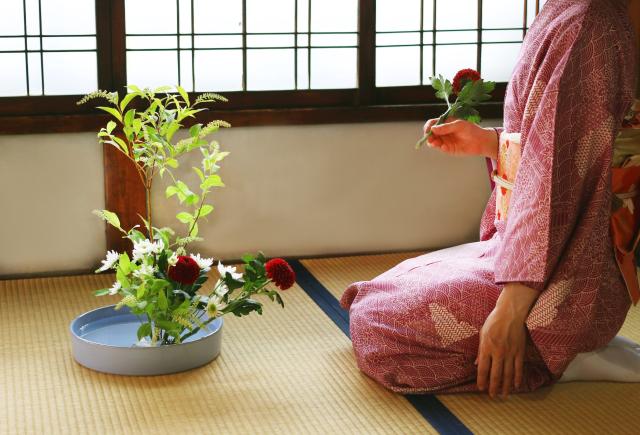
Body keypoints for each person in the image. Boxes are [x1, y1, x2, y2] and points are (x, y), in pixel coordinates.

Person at [340, 0, 640, 399]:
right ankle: (568, 340)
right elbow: (562, 150)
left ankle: (559, 351)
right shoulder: (575, 12)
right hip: (549, 252)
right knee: (381, 292)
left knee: (381, 326)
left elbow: (558, 177)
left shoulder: (589, 24)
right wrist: (488, 142)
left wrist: (511, 310)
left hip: (572, 273)